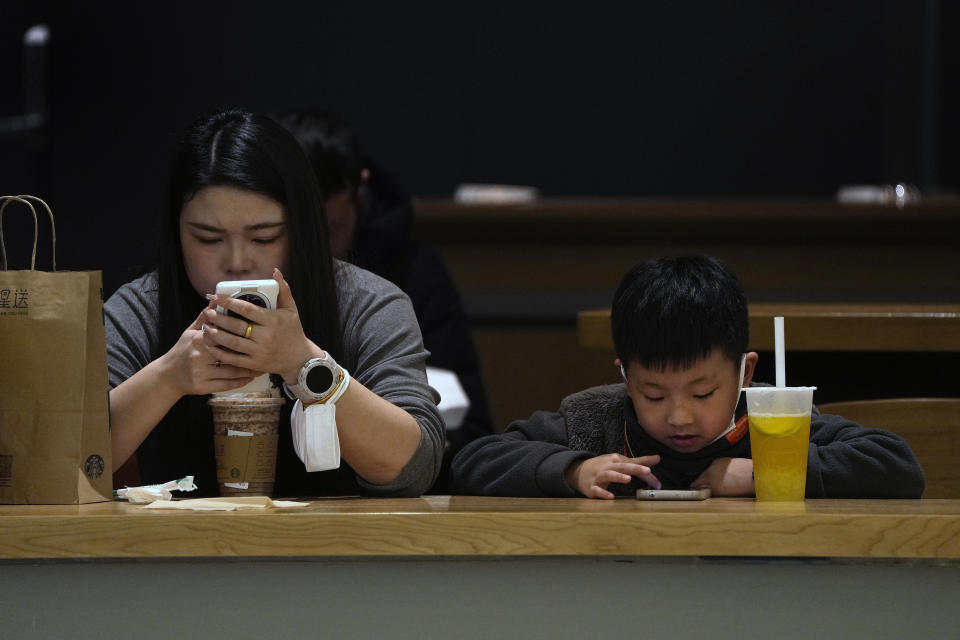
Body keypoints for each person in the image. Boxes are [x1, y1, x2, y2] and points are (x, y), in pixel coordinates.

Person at [104, 107, 444, 497]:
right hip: (173, 551)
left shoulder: (368, 304)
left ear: (301, 230)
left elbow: (414, 468)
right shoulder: (140, 309)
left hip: (339, 548)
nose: (237, 261)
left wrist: (303, 364)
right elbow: (65, 464)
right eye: (207, 238)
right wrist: (168, 377)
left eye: (264, 238)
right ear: (176, 233)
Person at [452, 254, 925, 499]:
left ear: (746, 373)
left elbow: (897, 465)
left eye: (703, 392)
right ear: (625, 378)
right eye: (653, 395)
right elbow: (475, 460)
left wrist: (765, 474)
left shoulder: (773, 421)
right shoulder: (597, 418)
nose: (680, 416)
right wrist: (574, 470)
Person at [276, 108, 492, 492]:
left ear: (359, 187)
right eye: (288, 234)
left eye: (328, 230)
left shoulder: (399, 279)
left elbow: (471, 425)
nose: (314, 252)